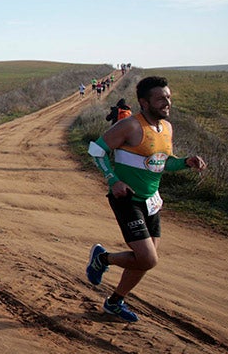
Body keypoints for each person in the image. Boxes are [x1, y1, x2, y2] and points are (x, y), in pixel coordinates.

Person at [86, 76, 207, 322]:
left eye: (168, 97)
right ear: (144, 102)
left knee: (143, 261)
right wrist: (113, 180)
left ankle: (114, 302)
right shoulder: (130, 126)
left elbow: (161, 163)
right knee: (148, 259)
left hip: (151, 201)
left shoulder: (167, 128)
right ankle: (102, 258)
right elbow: (96, 151)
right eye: (161, 99)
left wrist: (185, 162)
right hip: (127, 198)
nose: (167, 103)